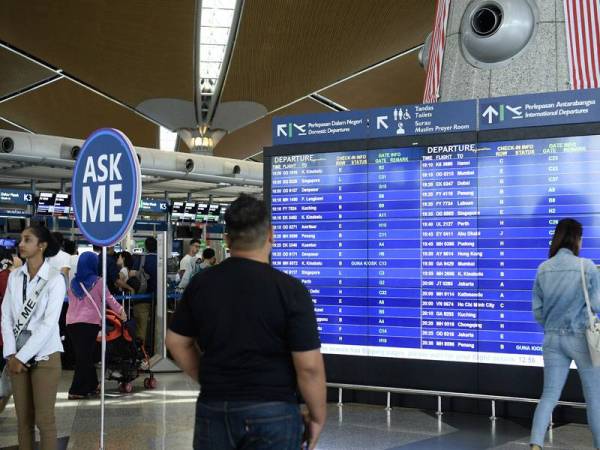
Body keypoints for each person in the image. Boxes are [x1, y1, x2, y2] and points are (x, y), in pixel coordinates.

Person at [167, 194, 327, 450]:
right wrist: (318, 416)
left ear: (228, 240)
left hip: (215, 406)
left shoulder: (203, 284)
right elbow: (308, 366)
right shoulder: (291, 290)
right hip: (275, 409)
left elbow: (176, 342)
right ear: (271, 235)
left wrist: (208, 378)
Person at [530, 218, 600, 450]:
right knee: (594, 399)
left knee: (548, 395)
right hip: (582, 338)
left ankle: (535, 445)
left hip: (551, 339)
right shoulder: (587, 267)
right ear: (577, 239)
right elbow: (597, 305)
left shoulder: (543, 268)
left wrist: (552, 325)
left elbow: (537, 311)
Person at [1, 225, 65, 450]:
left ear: (42, 245)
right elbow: (6, 316)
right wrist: (11, 354)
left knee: (45, 422)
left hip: (45, 357)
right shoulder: (15, 277)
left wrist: (22, 357)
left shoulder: (55, 279)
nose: (20, 244)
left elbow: (49, 324)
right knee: (23, 422)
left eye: (27, 240)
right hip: (16, 357)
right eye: (21, 239)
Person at [66, 252, 126, 400]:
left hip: (72, 324)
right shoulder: (98, 281)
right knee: (84, 357)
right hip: (89, 323)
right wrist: (120, 310)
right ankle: (76, 390)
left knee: (84, 355)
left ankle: (92, 385)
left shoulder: (73, 282)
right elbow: (109, 299)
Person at [132, 237, 157, 350]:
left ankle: (141, 352)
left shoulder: (142, 259)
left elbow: (133, 274)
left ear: (146, 247)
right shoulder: (162, 259)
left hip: (142, 298)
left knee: (141, 327)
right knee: (158, 326)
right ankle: (157, 350)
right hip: (160, 299)